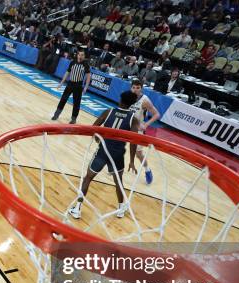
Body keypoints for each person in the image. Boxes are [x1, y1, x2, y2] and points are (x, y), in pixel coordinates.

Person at [68, 91, 139, 220]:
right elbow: (133, 142)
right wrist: (132, 161)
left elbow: (93, 128)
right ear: (132, 104)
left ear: (120, 99)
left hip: (103, 151)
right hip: (117, 155)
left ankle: (77, 208)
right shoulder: (133, 119)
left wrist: (98, 138)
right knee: (118, 182)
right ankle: (121, 208)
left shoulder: (108, 112)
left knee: (87, 178)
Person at [130, 80, 160, 185]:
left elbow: (157, 114)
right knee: (115, 146)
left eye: (138, 87)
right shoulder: (127, 96)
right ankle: (112, 167)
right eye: (133, 87)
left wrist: (146, 125)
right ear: (131, 88)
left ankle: (147, 169)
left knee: (138, 154)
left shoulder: (145, 100)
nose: (135, 89)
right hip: (126, 127)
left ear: (141, 88)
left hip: (137, 129)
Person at [52, 49, 90, 124]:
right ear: (77, 55)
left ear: (84, 56)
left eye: (82, 55)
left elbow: (88, 76)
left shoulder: (86, 64)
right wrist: (61, 82)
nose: (81, 56)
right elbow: (67, 72)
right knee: (63, 99)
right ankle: (56, 114)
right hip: (70, 84)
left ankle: (73, 119)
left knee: (76, 103)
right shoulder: (73, 62)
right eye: (79, 54)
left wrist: (85, 87)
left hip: (78, 85)